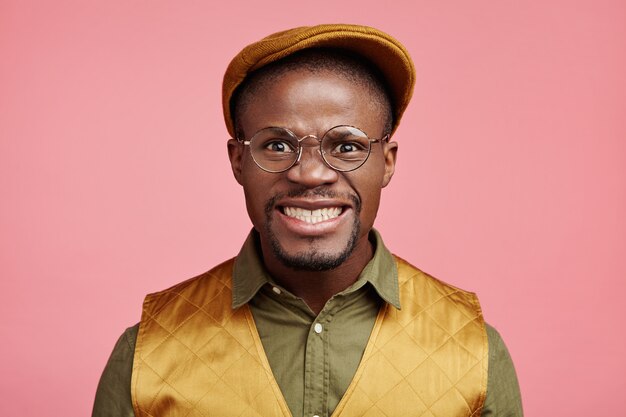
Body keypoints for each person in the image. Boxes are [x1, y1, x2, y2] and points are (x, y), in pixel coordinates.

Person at [93, 24, 523, 417]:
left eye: (347, 146)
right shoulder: (146, 353)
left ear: (387, 163)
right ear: (238, 161)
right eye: (277, 146)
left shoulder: (475, 352)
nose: (311, 173)